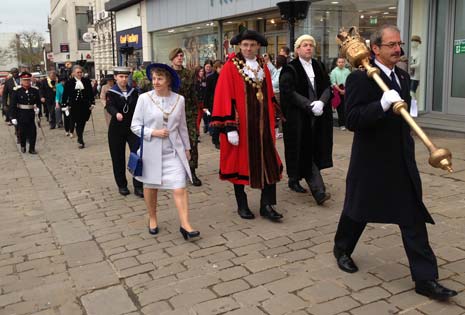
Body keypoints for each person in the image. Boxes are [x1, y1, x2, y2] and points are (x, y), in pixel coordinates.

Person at [333, 24, 457, 301]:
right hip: (371, 162)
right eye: (391, 44)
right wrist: (381, 105)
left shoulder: (401, 75)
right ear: (375, 48)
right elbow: (351, 120)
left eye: (399, 44)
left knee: (412, 216)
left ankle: (426, 279)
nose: (398, 49)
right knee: (358, 210)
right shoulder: (360, 79)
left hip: (401, 159)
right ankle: (342, 248)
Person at [211, 29, 283, 222]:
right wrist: (229, 127)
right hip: (242, 127)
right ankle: (242, 204)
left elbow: (268, 95)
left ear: (258, 46)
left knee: (269, 163)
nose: (248, 48)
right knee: (239, 164)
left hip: (263, 127)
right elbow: (223, 96)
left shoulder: (262, 65)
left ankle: (266, 206)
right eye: (245, 45)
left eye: (252, 45)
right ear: (239, 46)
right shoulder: (230, 66)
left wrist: (274, 121)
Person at [131, 63, 200, 240]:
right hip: (151, 150)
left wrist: (187, 148)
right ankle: (152, 217)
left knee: (179, 187)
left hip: (173, 151)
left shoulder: (179, 100)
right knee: (151, 186)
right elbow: (135, 126)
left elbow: (182, 126)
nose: (155, 82)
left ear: (168, 80)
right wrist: (153, 132)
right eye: (153, 78)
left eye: (159, 78)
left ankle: (185, 224)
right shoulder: (144, 99)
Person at [279, 34, 333, 205]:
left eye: (311, 45)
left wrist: (322, 103)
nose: (308, 48)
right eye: (304, 45)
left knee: (314, 147)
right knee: (303, 149)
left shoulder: (318, 65)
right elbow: (288, 92)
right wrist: (309, 105)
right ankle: (318, 190)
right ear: (297, 49)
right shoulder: (290, 68)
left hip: (318, 116)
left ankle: (296, 178)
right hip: (299, 118)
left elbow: (327, 86)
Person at [106, 67, 144, 198]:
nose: (123, 79)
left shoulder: (134, 91)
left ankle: (138, 185)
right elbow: (109, 106)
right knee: (118, 157)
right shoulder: (111, 92)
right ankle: (122, 185)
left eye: (125, 77)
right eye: (120, 76)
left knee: (138, 155)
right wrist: (116, 113)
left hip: (133, 129)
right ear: (115, 77)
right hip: (116, 129)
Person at [169, 48, 202, 186]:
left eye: (182, 56)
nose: (180, 58)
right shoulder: (167, 74)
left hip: (187, 113)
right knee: (171, 143)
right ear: (172, 58)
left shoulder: (188, 74)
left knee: (192, 142)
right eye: (177, 56)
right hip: (170, 114)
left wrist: (195, 115)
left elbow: (193, 94)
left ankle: (192, 171)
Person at [62, 65, 95, 148]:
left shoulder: (86, 81)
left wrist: (92, 102)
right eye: (78, 72)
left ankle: (79, 135)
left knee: (82, 122)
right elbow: (65, 95)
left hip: (85, 105)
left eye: (80, 72)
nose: (80, 74)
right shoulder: (69, 82)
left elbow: (91, 93)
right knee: (77, 121)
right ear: (73, 73)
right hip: (74, 105)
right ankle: (80, 139)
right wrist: (64, 104)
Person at [9, 72, 40, 154]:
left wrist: (38, 109)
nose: (27, 82)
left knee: (33, 131)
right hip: (21, 114)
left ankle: (32, 148)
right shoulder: (17, 91)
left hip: (31, 114)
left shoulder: (34, 90)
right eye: (25, 80)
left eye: (28, 80)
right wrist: (13, 117)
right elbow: (12, 105)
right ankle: (23, 145)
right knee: (22, 132)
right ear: (21, 81)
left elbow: (38, 102)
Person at [204, 60, 223, 149]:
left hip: (223, 102)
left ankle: (221, 138)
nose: (222, 69)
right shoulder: (210, 78)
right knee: (215, 122)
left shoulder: (224, 77)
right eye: (220, 67)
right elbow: (207, 93)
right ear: (216, 68)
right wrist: (205, 106)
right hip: (213, 103)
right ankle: (215, 140)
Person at [330, 57, 351, 130]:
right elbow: (333, 83)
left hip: (346, 90)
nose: (341, 63)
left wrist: (346, 90)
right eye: (339, 62)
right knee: (340, 109)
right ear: (337, 63)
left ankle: (347, 124)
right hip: (338, 91)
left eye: (342, 62)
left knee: (347, 108)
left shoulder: (347, 71)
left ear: (344, 63)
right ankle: (342, 124)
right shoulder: (334, 71)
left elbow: (349, 81)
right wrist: (340, 90)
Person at [193, 66, 206, 134]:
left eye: (202, 71)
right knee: (198, 117)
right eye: (200, 71)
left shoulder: (204, 80)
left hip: (203, 101)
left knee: (201, 117)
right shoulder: (195, 81)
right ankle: (197, 132)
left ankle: (198, 131)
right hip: (197, 101)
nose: (201, 73)